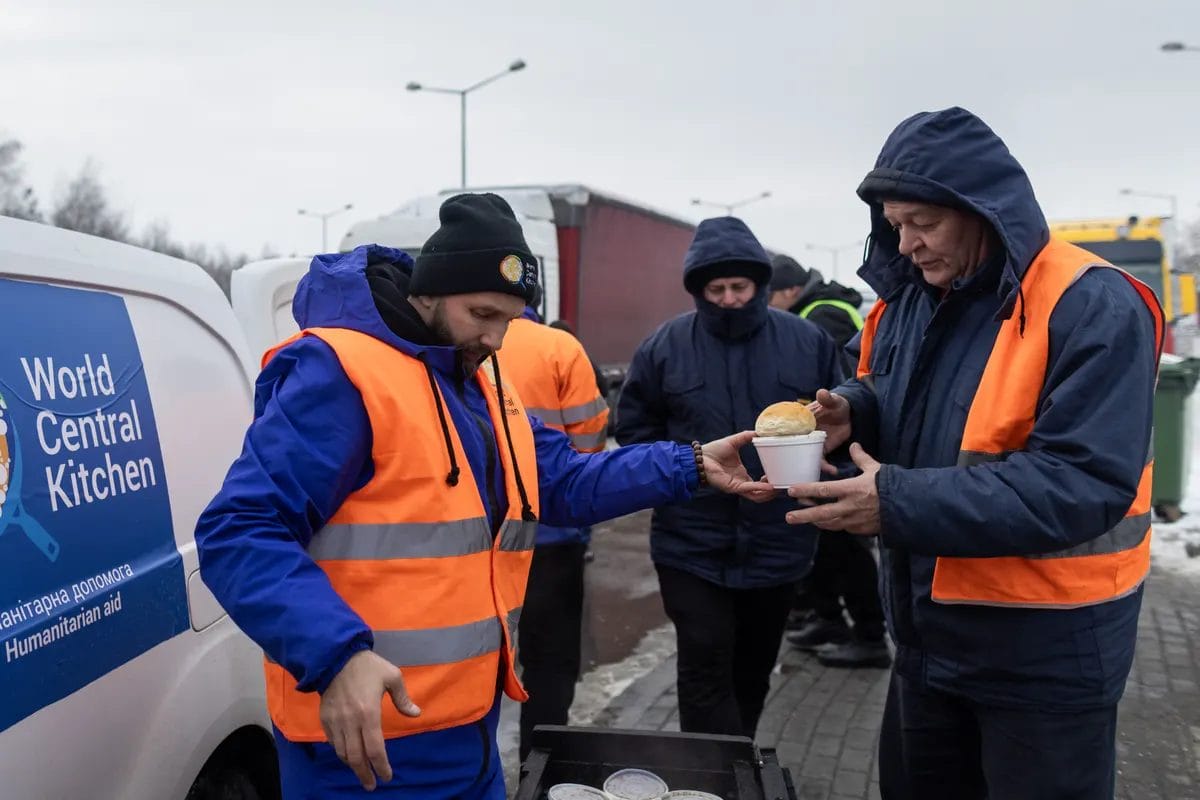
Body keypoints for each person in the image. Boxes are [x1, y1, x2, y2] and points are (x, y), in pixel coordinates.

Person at [195, 193, 774, 799]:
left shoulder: (475, 376)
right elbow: (239, 530)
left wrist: (689, 464)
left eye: (511, 320)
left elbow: (557, 480)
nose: (497, 338)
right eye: (482, 313)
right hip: (366, 745)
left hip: (469, 728)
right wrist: (336, 657)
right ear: (429, 293)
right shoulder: (340, 373)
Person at [786, 108, 1163, 800]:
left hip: (1045, 660)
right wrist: (853, 409)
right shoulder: (910, 302)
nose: (905, 245)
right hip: (930, 647)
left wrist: (894, 501)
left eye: (923, 223)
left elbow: (1083, 481)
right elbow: (895, 391)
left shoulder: (1092, 303)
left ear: (981, 210)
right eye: (895, 225)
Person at [616, 216, 843, 739]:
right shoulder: (664, 346)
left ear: (759, 285)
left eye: (739, 287)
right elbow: (634, 430)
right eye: (715, 289)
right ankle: (711, 776)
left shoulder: (806, 341)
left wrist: (837, 464)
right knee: (703, 664)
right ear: (698, 290)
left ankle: (737, 764)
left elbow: (840, 419)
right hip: (689, 542)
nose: (729, 299)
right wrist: (682, 468)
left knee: (753, 669)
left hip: (779, 540)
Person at [492, 304, 610, 761]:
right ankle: (538, 767)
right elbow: (589, 446)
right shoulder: (559, 346)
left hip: (475, 539)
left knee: (478, 661)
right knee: (550, 664)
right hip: (552, 537)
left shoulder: (450, 342)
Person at [768, 255, 889, 669]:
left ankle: (871, 635)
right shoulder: (816, 310)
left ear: (787, 291)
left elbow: (836, 383)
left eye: (769, 296)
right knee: (825, 545)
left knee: (848, 547)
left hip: (844, 453)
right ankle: (830, 620)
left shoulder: (822, 316)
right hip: (825, 446)